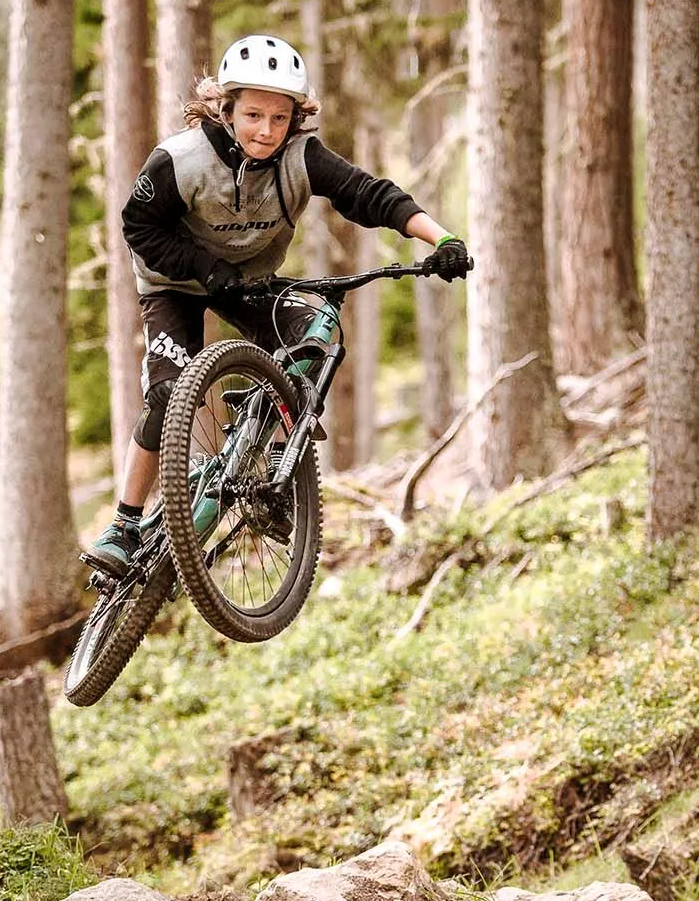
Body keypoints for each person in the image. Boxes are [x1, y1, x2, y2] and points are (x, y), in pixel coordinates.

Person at [85, 34, 473, 576]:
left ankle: (268, 455)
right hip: (174, 284)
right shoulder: (181, 160)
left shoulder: (300, 157)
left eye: (279, 117)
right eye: (252, 115)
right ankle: (124, 524)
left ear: (296, 117)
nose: (266, 131)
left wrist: (442, 239)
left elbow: (370, 194)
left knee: (318, 329)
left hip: (248, 282)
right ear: (226, 108)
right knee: (169, 395)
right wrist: (205, 269)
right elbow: (138, 227)